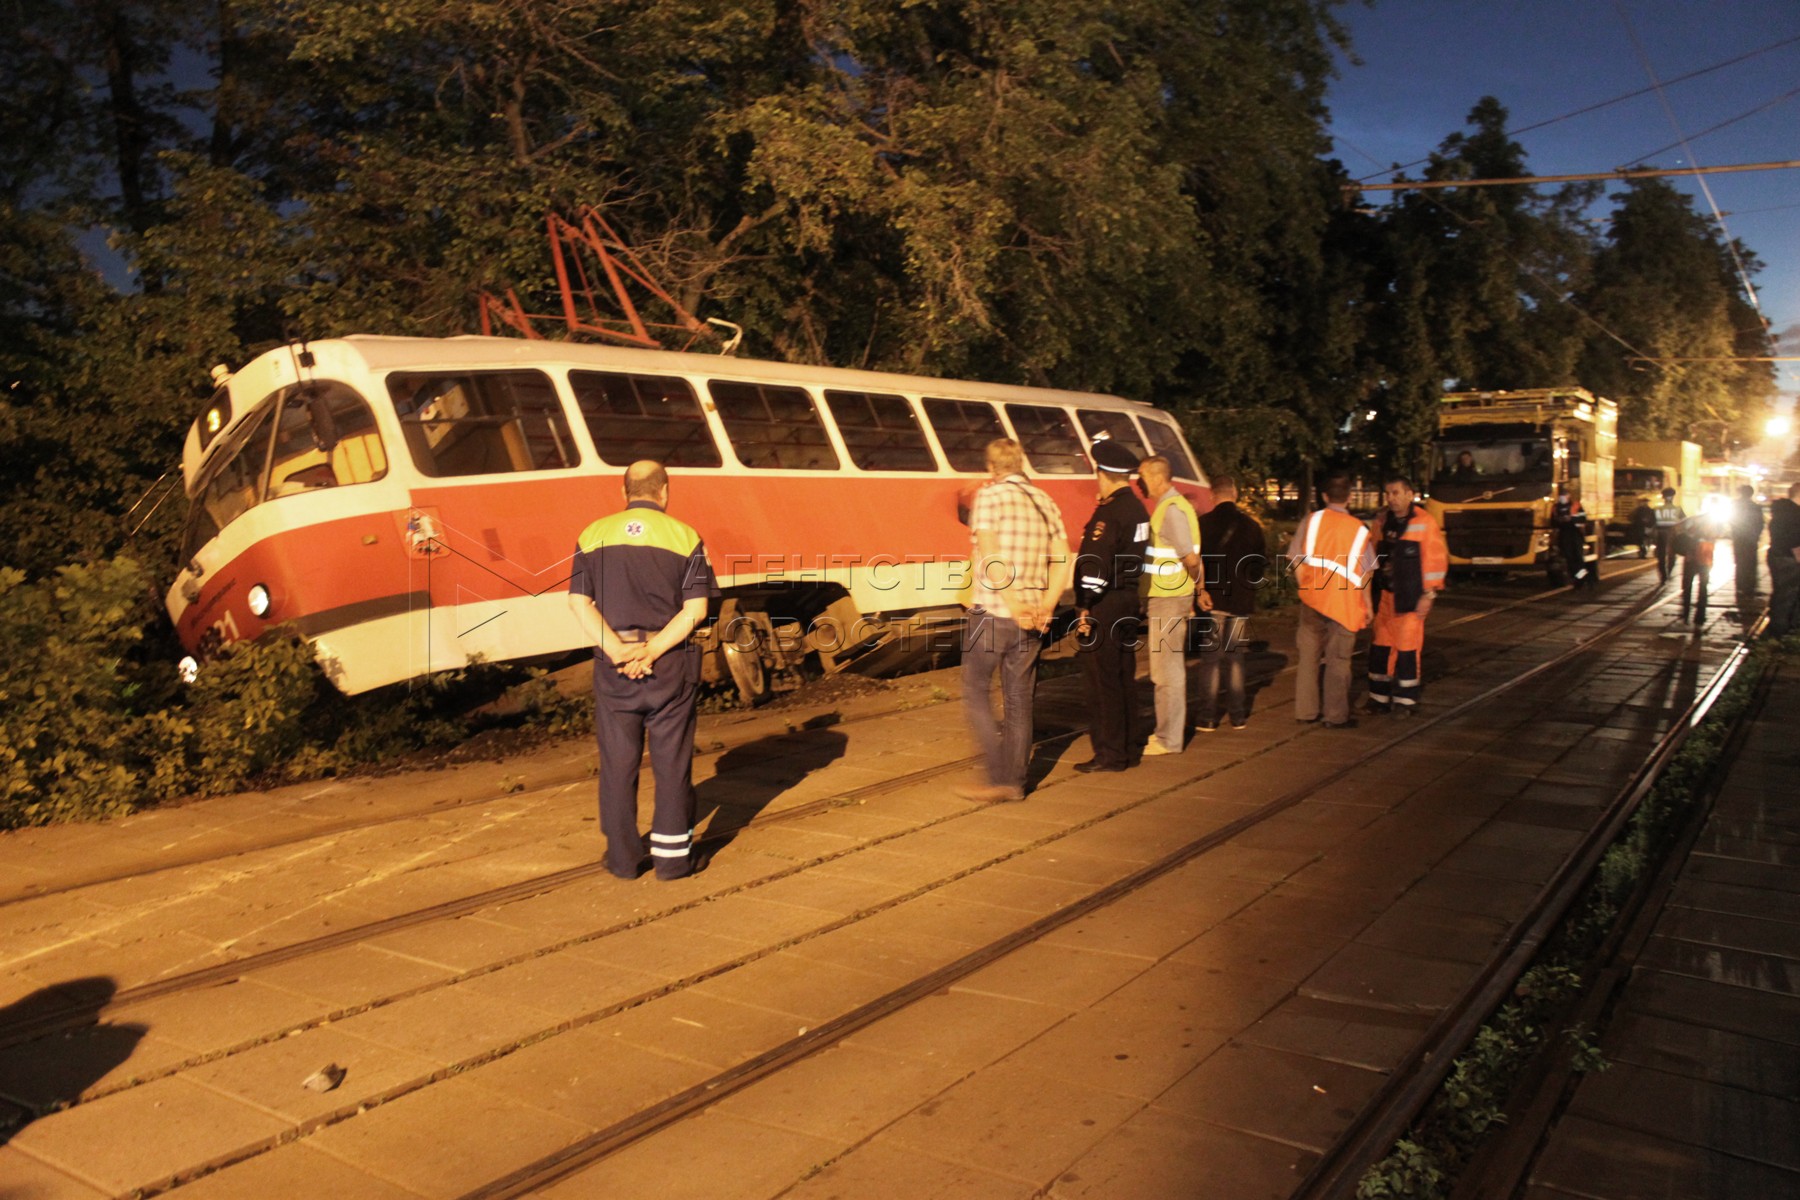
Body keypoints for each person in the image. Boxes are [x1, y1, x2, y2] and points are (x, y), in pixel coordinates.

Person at [567, 461, 718, 880]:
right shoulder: (684, 536)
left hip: (614, 665)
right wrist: (650, 651)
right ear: (665, 492)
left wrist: (618, 651)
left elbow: (579, 603)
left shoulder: (592, 534)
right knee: (672, 763)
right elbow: (696, 609)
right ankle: (672, 862)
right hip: (669, 664)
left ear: (624, 493)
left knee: (617, 763)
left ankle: (623, 859)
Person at [959, 438, 1071, 802]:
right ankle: (1015, 782)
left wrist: (1011, 601)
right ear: (1021, 463)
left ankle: (996, 776)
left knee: (975, 691)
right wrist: (1046, 605)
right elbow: (1062, 560)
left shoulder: (989, 497)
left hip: (994, 611)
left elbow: (991, 555)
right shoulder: (1045, 502)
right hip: (1034, 618)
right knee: (1020, 699)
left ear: (992, 467)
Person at [1072, 437, 1150, 772]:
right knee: (1123, 677)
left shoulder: (1109, 513)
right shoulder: (1137, 508)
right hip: (1128, 600)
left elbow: (1095, 564)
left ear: (1101, 473)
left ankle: (1110, 754)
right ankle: (1129, 745)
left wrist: (1085, 604)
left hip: (1105, 604)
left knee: (1102, 683)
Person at [1287, 471, 1377, 728]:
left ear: (1325, 496)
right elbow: (1366, 572)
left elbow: (1295, 559)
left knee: (1308, 657)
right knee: (1338, 660)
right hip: (1345, 603)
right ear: (1349, 498)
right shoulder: (1359, 530)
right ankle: (1335, 716)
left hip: (1313, 599)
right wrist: (1368, 605)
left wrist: (1307, 587)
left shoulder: (1311, 521)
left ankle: (1305, 712)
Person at [1364, 475, 1448, 717]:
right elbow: (1371, 554)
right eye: (1388, 493)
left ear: (1410, 494)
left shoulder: (1424, 522)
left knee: (1407, 649)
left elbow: (1435, 560)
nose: (1391, 498)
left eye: (1396, 493)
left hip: (1410, 598)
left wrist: (1428, 594)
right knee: (1380, 647)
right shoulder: (1382, 521)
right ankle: (1378, 698)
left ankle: (1406, 701)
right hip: (1386, 597)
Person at [1138, 455, 1200, 755]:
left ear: (1156, 477)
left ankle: (1168, 738)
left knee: (1166, 671)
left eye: (1142, 477)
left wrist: (1195, 585)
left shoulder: (1170, 510)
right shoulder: (1173, 507)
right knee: (1167, 669)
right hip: (1171, 596)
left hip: (1168, 598)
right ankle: (1168, 734)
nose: (1140, 483)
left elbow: (1190, 558)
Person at [1196, 474, 1264, 731]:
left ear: (1213, 495)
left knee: (1211, 659)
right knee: (1235, 658)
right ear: (1234, 494)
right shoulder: (1251, 526)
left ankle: (1207, 717)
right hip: (1240, 601)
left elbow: (1196, 560)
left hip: (1212, 599)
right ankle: (1237, 716)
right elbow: (1259, 565)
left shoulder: (1203, 524)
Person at [1768, 482, 1800, 637]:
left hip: (1779, 557)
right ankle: (1781, 632)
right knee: (1787, 597)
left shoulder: (1782, 512)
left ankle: (1778, 629)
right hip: (1788, 560)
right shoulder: (1794, 514)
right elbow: (1794, 539)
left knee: (1781, 595)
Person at [1675, 509, 1717, 627]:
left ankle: (1685, 613)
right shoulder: (1713, 525)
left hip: (1691, 558)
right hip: (1705, 560)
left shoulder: (1691, 522)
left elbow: (1679, 532)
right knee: (1703, 588)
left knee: (1687, 587)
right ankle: (1700, 616)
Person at [1551, 483, 1594, 589]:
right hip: (1564, 535)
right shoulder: (1555, 508)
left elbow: (1583, 519)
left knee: (1578, 558)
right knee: (1569, 558)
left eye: (1564, 495)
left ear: (1568, 496)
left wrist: (1572, 520)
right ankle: (1578, 579)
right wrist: (1560, 521)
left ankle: (1581, 579)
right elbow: (1552, 521)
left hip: (1576, 534)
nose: (1562, 497)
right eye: (1561, 495)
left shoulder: (1576, 506)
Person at [1730, 485, 1764, 595]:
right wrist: (1756, 535)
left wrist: (1735, 532)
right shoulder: (1755, 507)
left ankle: (1739, 585)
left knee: (1739, 562)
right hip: (1751, 539)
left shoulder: (1734, 505)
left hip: (1739, 538)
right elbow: (1760, 523)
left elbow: (1732, 521)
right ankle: (1750, 586)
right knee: (1751, 563)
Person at [1652, 486, 1686, 583]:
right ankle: (1669, 572)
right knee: (1672, 555)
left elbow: (1652, 523)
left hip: (1660, 534)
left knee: (1661, 556)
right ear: (1673, 496)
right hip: (1673, 533)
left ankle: (1663, 576)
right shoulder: (1678, 509)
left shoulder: (1657, 509)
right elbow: (1684, 521)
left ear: (1663, 497)